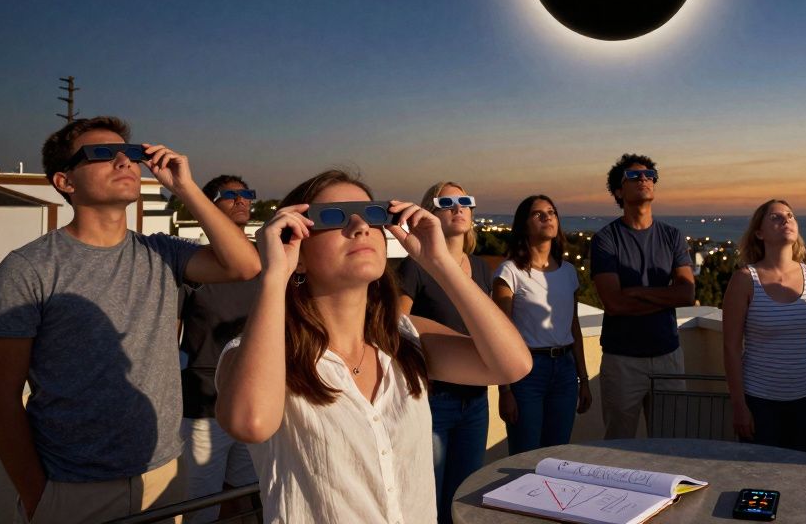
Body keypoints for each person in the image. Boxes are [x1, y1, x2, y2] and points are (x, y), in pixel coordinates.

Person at [0, 116, 261, 524]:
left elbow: (245, 265)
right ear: (65, 181)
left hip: (163, 471)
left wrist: (185, 187)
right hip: (72, 486)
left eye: (130, 154)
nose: (124, 162)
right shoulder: (28, 269)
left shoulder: (163, 252)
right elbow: (0, 399)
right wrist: (39, 497)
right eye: (101, 154)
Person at [215, 170, 530, 524]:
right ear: (296, 249)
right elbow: (250, 423)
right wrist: (275, 276)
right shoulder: (259, 355)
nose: (360, 226)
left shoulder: (406, 339)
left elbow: (512, 364)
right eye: (333, 217)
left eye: (373, 215)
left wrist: (440, 263)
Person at [396, 181, 493, 524]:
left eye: (465, 200)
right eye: (447, 201)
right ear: (429, 213)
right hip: (435, 401)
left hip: (476, 401)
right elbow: (396, 327)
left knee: (464, 499)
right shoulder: (416, 265)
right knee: (429, 502)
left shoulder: (480, 268)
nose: (458, 207)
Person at [589, 153, 695, 439]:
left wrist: (637, 293)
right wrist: (664, 296)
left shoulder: (672, 236)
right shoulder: (606, 239)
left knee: (672, 441)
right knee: (620, 446)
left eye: (650, 175)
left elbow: (686, 294)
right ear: (618, 191)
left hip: (668, 355)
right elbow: (614, 303)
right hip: (622, 360)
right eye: (634, 176)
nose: (645, 179)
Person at [179, 174, 262, 523]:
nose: (242, 201)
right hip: (202, 404)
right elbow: (171, 335)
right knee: (202, 505)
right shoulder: (192, 266)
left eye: (247, 194)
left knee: (250, 496)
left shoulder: (263, 263)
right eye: (230, 195)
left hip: (254, 398)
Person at [722, 199, 806, 452]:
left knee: (798, 474)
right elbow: (730, 348)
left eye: (790, 215)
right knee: (761, 478)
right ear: (759, 233)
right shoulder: (744, 280)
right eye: (775, 217)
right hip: (760, 403)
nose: (786, 220)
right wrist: (739, 405)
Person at [492, 195, 592, 454]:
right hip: (527, 373)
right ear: (523, 225)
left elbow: (574, 328)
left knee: (557, 453)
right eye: (538, 214)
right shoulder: (509, 272)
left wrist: (584, 379)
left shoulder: (568, 272)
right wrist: (504, 390)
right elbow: (500, 334)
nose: (547, 217)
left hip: (565, 372)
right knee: (525, 455)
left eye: (551, 212)